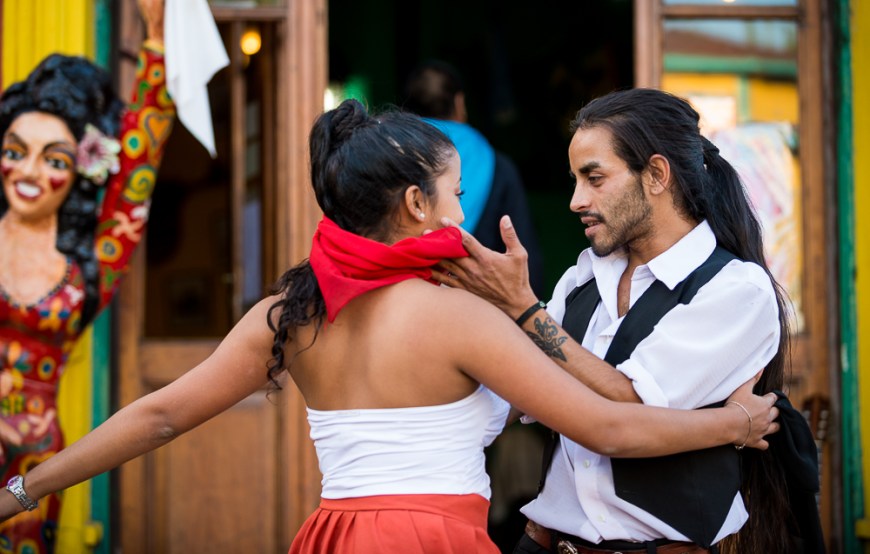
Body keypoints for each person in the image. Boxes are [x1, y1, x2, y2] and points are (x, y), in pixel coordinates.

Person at [0, 99, 778, 554]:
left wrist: (21, 486)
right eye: (453, 195)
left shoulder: (288, 312)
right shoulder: (460, 318)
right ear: (415, 205)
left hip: (332, 535)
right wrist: (733, 425)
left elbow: (162, 414)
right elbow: (609, 427)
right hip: (434, 538)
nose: (459, 212)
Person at [432, 88, 817, 553]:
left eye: (594, 178)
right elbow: (514, 392)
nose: (576, 200)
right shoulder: (581, 279)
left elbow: (632, 402)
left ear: (656, 175)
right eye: (574, 180)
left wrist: (524, 310)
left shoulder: (736, 290)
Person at [0, 1, 174, 550]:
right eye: (14, 151)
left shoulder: (87, 267)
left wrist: (157, 42)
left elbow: (139, 163)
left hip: (31, 472)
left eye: (53, 159)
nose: (29, 172)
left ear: (79, 169)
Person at [403, 60, 546, 296]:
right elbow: (524, 255)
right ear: (460, 102)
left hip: (404, 301)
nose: (458, 217)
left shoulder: (389, 159)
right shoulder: (496, 164)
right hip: (480, 303)